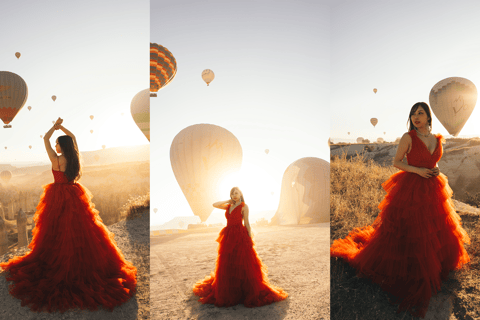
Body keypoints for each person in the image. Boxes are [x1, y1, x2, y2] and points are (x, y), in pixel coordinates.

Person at [331, 102, 471, 318]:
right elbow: (397, 162)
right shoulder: (408, 138)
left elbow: (434, 160)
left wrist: (435, 169)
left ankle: (437, 264)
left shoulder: (437, 139)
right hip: (412, 187)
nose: (416, 117)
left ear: (428, 116)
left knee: (436, 227)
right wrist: (417, 170)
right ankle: (414, 268)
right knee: (413, 229)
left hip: (433, 186)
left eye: (421, 113)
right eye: (413, 114)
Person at [0, 118, 137, 313]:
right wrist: (62, 128)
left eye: (57, 143)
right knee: (79, 229)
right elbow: (72, 138)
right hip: (73, 193)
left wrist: (52, 128)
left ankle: (58, 261)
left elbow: (45, 139)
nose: (55, 145)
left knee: (56, 230)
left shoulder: (56, 159)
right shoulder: (74, 158)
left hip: (57, 196)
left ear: (61, 146)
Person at [193, 187, 288, 307]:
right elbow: (214, 204)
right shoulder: (228, 206)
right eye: (232, 193)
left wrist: (249, 238)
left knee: (243, 262)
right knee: (228, 262)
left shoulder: (244, 206)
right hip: (228, 235)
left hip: (240, 235)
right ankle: (231, 290)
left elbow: (247, 223)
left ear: (240, 194)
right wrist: (228, 201)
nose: (234, 195)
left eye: (236, 193)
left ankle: (243, 292)